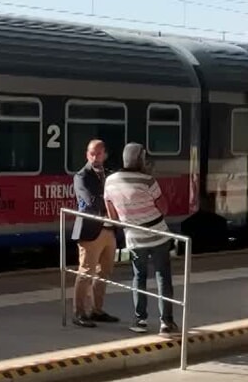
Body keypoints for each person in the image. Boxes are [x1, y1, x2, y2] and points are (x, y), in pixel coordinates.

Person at [104, 142, 180, 335]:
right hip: (158, 235)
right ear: (139, 159)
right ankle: (166, 322)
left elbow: (113, 217)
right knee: (163, 277)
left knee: (139, 278)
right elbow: (163, 209)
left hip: (133, 238)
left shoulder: (110, 182)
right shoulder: (148, 181)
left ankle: (140, 320)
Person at [70, 139, 120, 328]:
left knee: (104, 272)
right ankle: (79, 312)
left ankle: (96, 310)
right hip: (90, 231)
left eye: (98, 153)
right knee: (85, 272)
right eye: (92, 153)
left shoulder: (110, 175)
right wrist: (111, 203)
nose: (95, 157)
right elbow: (90, 201)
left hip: (109, 230)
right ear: (87, 154)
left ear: (105, 155)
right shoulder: (81, 176)